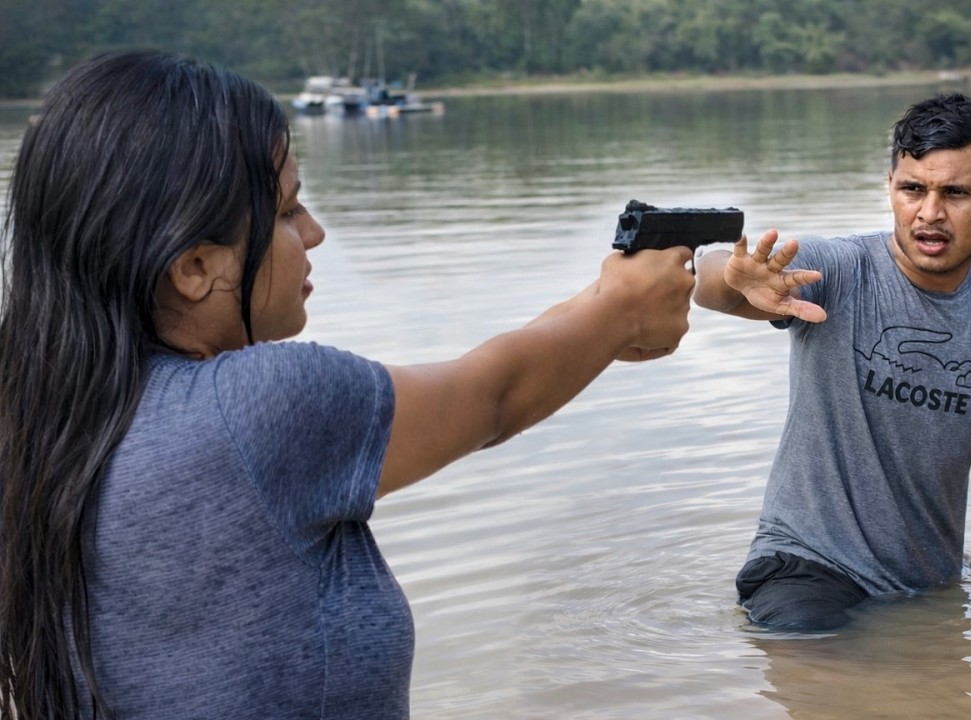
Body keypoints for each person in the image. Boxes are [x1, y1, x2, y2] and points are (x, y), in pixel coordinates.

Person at [0, 51, 696, 718]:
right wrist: (624, 310)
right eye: (285, 211)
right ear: (195, 267)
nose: (314, 232)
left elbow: (492, 374)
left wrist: (605, 315)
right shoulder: (259, 411)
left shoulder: (40, 416)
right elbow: (492, 399)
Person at [692, 92, 971, 632]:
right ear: (890, 187)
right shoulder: (838, 270)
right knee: (815, 673)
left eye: (955, 192)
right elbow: (709, 282)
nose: (930, 213)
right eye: (913, 189)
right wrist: (731, 276)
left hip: (929, 584)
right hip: (806, 566)